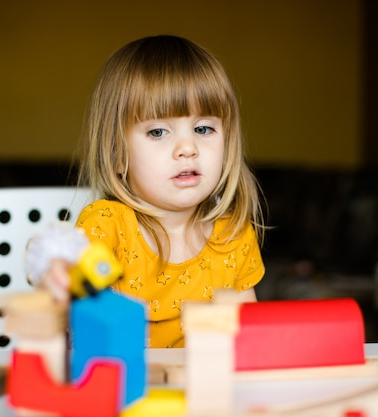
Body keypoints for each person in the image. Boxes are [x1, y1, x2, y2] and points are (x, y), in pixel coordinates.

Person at [30, 34, 266, 348]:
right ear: (117, 154)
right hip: (126, 388)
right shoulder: (106, 225)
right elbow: (68, 289)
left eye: (203, 128)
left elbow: (250, 341)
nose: (187, 148)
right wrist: (58, 279)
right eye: (158, 131)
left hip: (206, 390)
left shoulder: (234, 233)